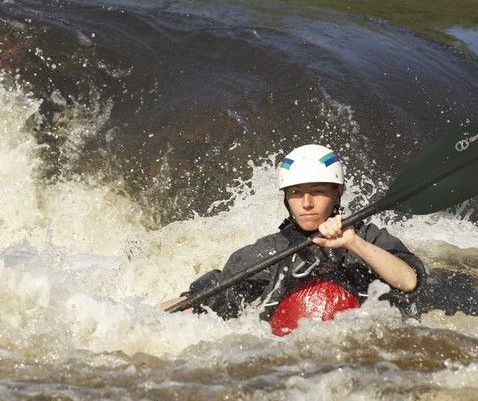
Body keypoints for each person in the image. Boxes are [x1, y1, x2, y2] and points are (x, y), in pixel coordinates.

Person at [162, 144, 426, 336]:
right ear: (286, 198)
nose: (307, 203)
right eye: (296, 193)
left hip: (359, 354)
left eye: (318, 192)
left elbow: (409, 280)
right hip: (290, 359)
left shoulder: (367, 237)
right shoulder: (269, 251)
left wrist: (353, 243)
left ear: (338, 193)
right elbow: (208, 300)